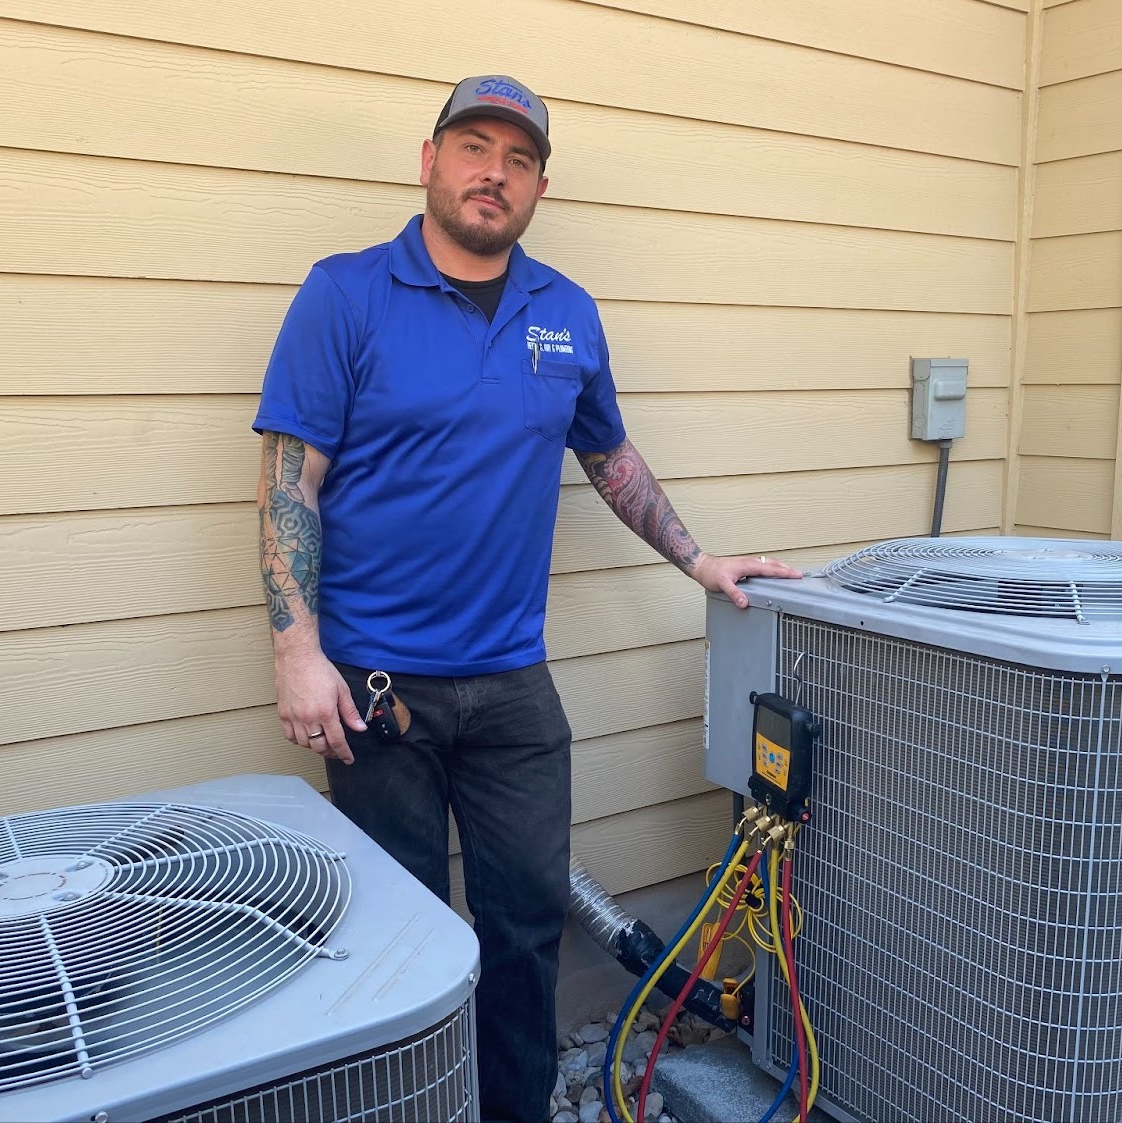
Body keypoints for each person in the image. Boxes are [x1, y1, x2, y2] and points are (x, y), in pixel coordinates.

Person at [252, 74, 800, 1121]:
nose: (491, 172)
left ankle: (511, 1107)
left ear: (539, 184)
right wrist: (296, 650)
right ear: (429, 159)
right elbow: (291, 481)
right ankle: (411, 1106)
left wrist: (697, 561)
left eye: (517, 157)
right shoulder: (346, 293)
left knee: (522, 923)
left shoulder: (566, 313)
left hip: (510, 687)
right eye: (472, 147)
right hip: (377, 691)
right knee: (394, 933)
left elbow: (609, 457)